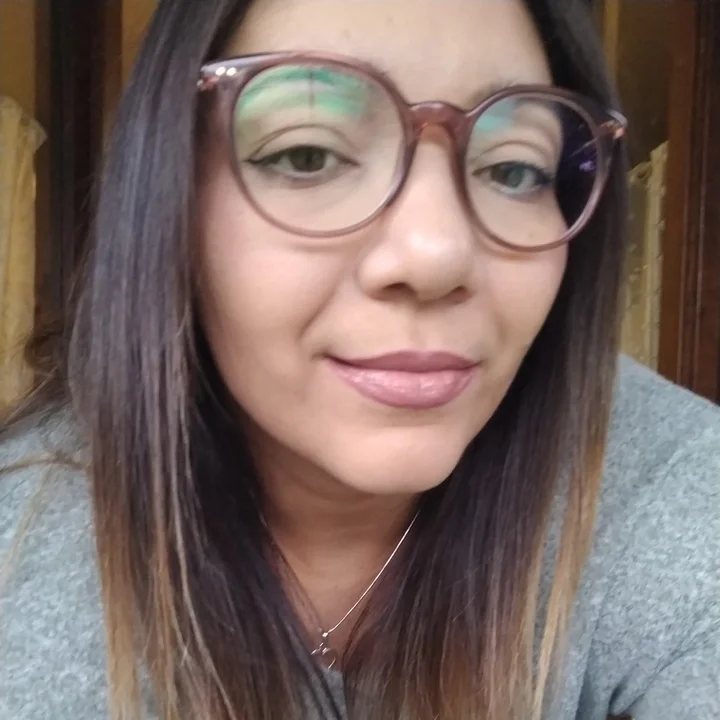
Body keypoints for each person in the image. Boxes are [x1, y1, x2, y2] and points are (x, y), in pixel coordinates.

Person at [1, 0, 718, 718]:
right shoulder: (25, 561)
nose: (435, 254)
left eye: (514, 169)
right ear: (167, 194)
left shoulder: (669, 487)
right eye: (306, 155)